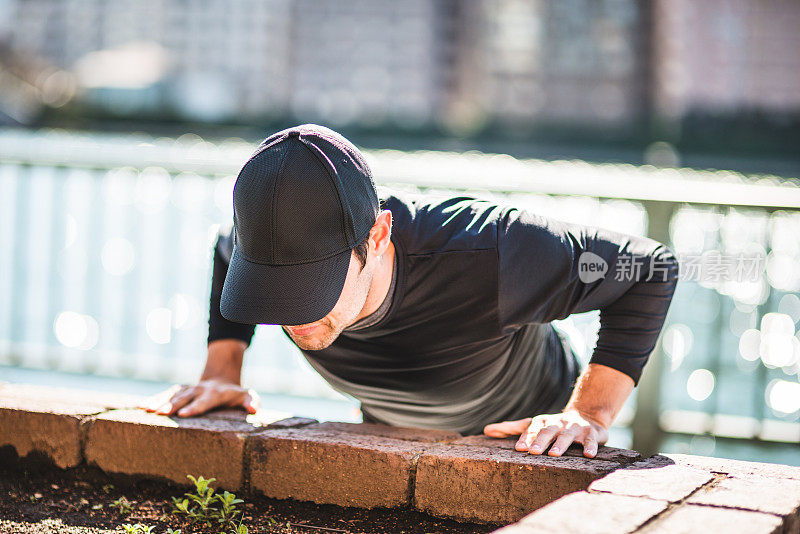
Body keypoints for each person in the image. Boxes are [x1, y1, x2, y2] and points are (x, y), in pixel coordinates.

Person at [142, 124, 680, 459]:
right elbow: (224, 251)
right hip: (397, 432)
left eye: (311, 287)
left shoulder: (493, 251)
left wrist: (590, 413)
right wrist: (221, 372)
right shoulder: (259, 238)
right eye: (272, 288)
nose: (291, 314)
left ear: (377, 237)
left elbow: (649, 268)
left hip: (532, 438)